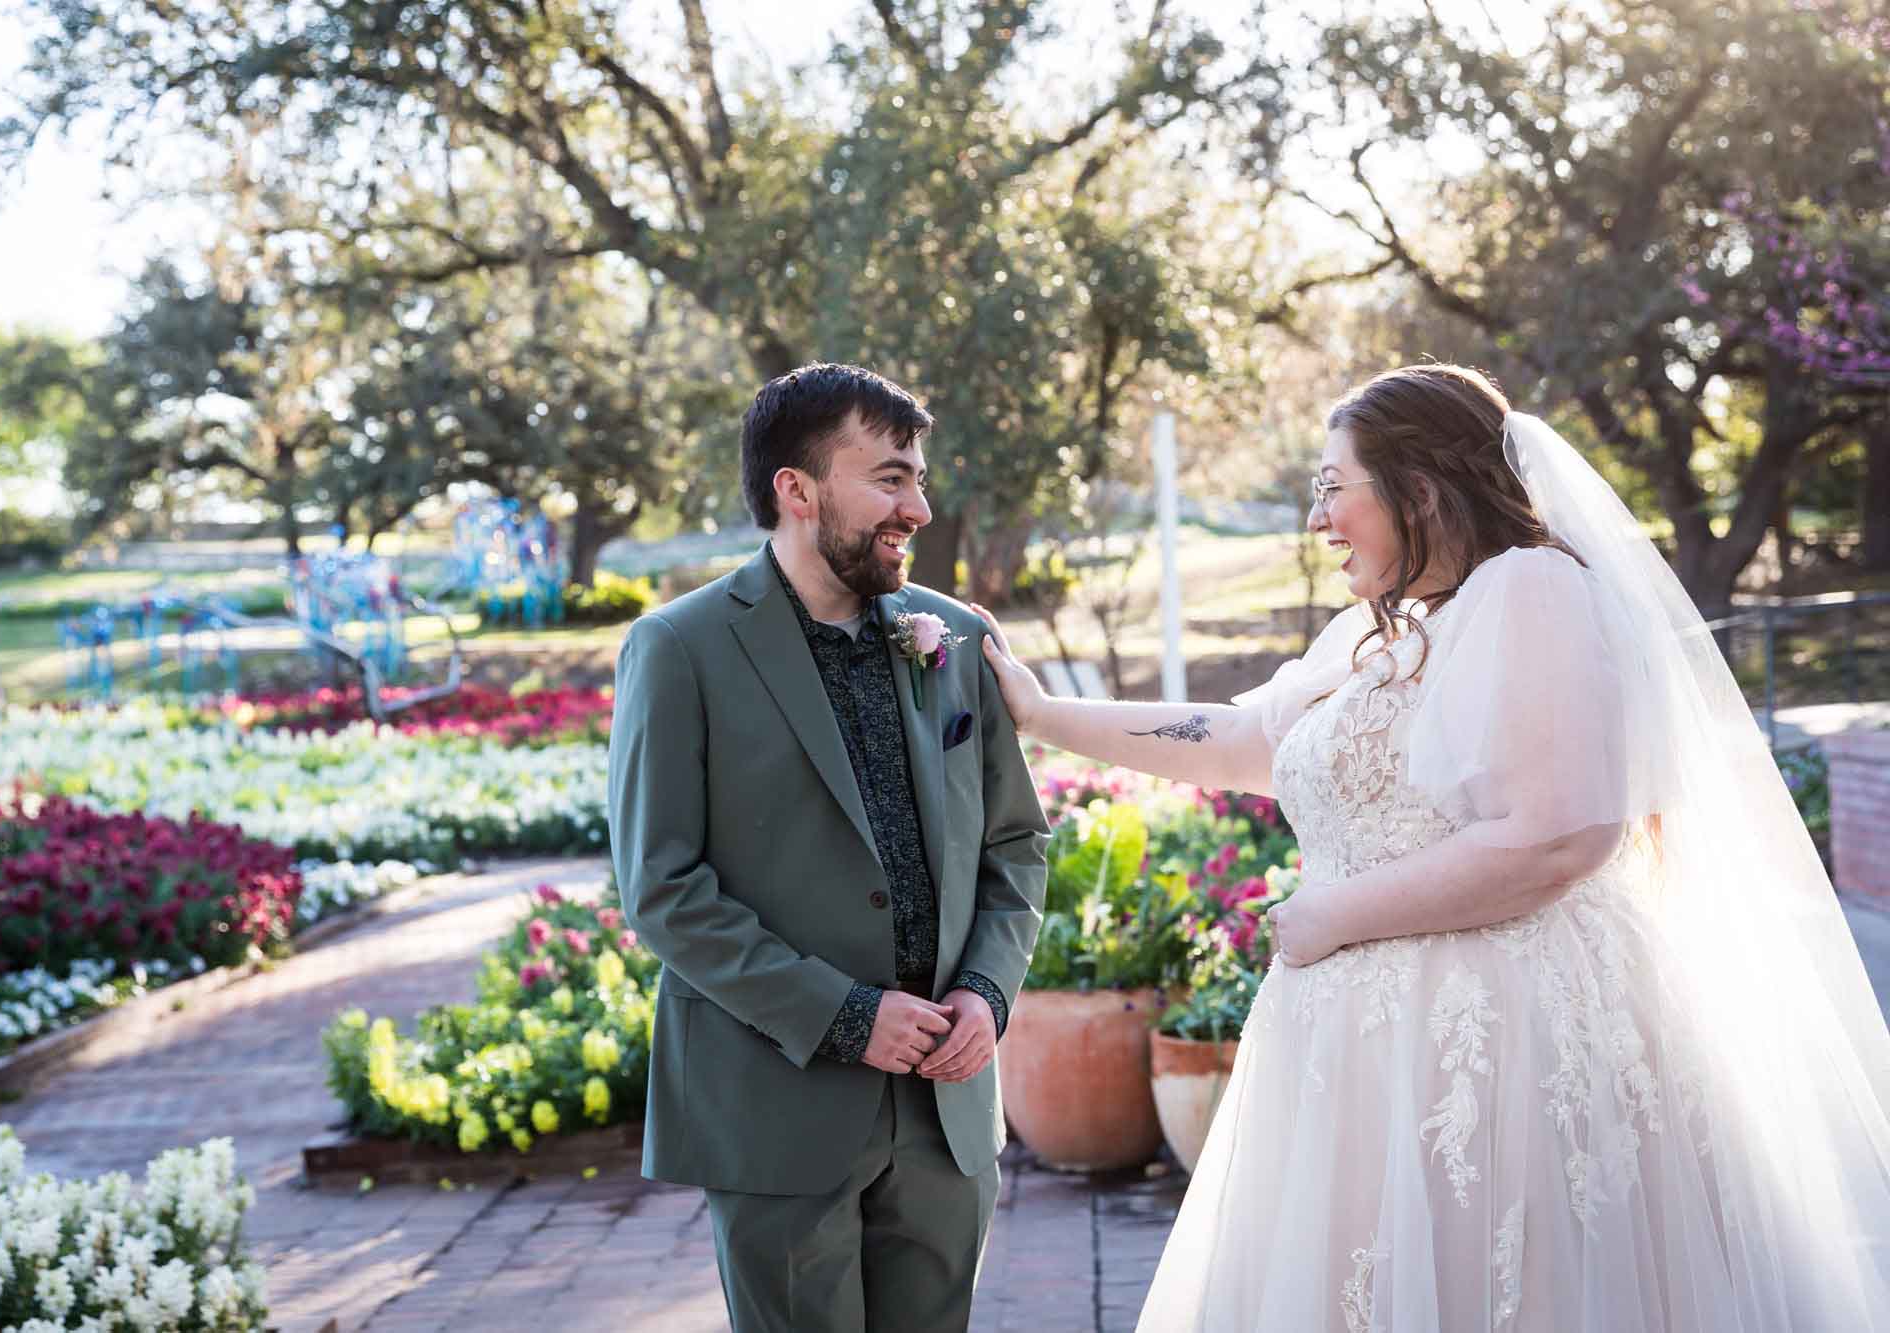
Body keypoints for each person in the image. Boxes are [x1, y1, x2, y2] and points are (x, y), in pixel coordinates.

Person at [974, 364, 1890, 1330]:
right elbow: (1241, 739)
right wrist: (1044, 713)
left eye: (1334, 487)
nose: (1318, 520)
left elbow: (1560, 834)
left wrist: (1329, 914)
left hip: (1502, 1040)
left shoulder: (1531, 589)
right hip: (1363, 1053)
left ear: (1419, 487)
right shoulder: (1378, 636)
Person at [608, 361, 1049, 1332]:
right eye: (889, 478)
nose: (918, 507)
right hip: (779, 1109)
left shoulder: (954, 639)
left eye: (919, 478)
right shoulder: (677, 649)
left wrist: (986, 990)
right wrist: (846, 1016)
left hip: (947, 1109)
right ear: (795, 489)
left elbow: (1017, 844)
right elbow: (661, 888)